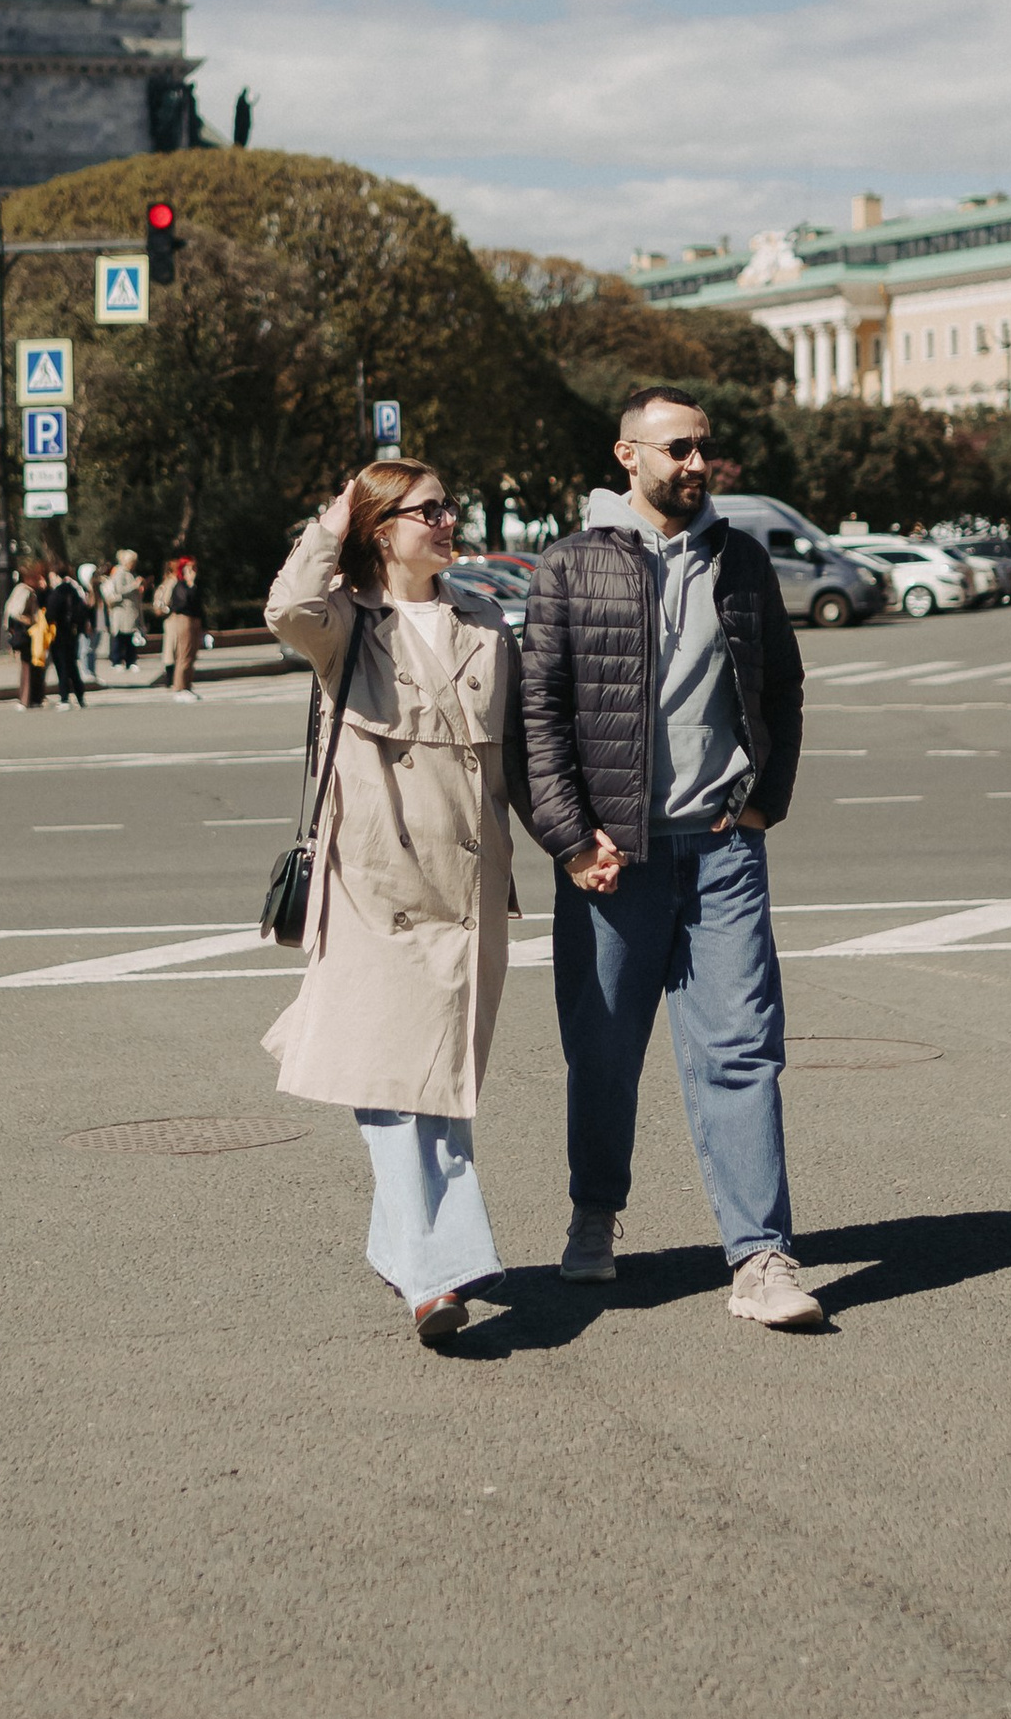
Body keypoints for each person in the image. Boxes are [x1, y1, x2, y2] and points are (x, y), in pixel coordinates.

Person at [519, 384, 820, 1331]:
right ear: (629, 456)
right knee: (603, 1052)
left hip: (722, 852)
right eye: (677, 448)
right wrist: (572, 839)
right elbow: (537, 714)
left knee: (742, 1052)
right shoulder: (570, 565)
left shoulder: (741, 560)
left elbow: (783, 687)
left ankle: (761, 1257)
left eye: (703, 447)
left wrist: (765, 800)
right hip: (613, 859)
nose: (696, 463)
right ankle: (594, 1212)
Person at [264, 460, 530, 1347]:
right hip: (375, 885)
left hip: (467, 887)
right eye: (428, 511)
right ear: (381, 530)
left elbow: (516, 756)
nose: (448, 521)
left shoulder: (484, 619)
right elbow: (287, 610)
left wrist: (574, 843)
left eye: (450, 506)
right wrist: (332, 516)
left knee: (438, 1078)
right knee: (392, 1079)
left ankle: (405, 1251)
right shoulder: (345, 622)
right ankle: (436, 1274)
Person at [44, 562, 91, 709]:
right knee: (72, 666)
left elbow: (50, 614)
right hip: (72, 632)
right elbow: (82, 611)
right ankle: (80, 696)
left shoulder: (57, 593)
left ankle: (64, 697)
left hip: (58, 633)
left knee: (62, 666)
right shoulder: (74, 590)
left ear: (56, 576)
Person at [156, 555, 200, 701]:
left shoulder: (192, 585)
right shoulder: (180, 585)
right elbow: (182, 603)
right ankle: (179, 687)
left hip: (193, 620)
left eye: (194, 568)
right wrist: (191, 584)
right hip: (183, 620)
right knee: (184, 655)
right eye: (190, 569)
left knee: (191, 656)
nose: (193, 572)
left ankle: (187, 685)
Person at [5, 561, 46, 708]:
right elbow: (18, 613)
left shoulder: (18, 590)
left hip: (20, 633)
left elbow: (9, 612)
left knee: (28, 667)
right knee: (30, 667)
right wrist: (33, 621)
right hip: (28, 634)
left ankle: (30, 698)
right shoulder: (27, 592)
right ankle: (28, 698)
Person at [99, 549, 144, 678]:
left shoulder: (129, 573)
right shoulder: (120, 573)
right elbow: (119, 589)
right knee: (120, 637)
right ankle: (117, 660)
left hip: (129, 611)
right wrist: (134, 585)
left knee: (129, 637)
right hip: (122, 611)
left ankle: (130, 661)